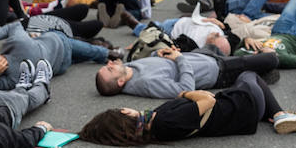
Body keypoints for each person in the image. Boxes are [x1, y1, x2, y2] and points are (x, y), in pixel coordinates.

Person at [79, 74, 296, 145]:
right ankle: (279, 115)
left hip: (239, 116)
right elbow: (208, 100)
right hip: (242, 108)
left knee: (247, 79)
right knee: (249, 76)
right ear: (126, 114)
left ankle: (278, 115)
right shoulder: (165, 120)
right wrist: (184, 94)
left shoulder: (156, 129)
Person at [0, 20, 109, 91]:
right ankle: (106, 52)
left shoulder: (11, 80)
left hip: (60, 66)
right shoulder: (20, 43)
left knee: (80, 54)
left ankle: (97, 46)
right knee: (83, 47)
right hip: (59, 42)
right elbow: (15, 25)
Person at [95, 47, 279, 99]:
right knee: (271, 58)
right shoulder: (147, 83)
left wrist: (158, 54)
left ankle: (257, 71)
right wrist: (178, 58)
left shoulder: (128, 68)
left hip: (203, 56)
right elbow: (186, 88)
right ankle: (260, 72)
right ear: (120, 82)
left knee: (221, 43)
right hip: (218, 71)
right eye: (110, 68)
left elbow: (156, 64)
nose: (111, 62)